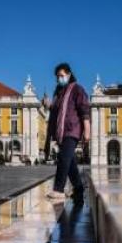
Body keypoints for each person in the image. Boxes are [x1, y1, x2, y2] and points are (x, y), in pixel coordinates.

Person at [43, 63, 90, 201]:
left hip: (72, 129)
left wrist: (87, 129)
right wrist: (49, 105)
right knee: (70, 163)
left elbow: (84, 109)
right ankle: (79, 189)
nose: (59, 79)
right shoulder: (60, 93)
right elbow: (57, 110)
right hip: (62, 131)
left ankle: (58, 189)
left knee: (64, 158)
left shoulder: (77, 89)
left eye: (61, 75)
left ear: (69, 74)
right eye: (57, 77)